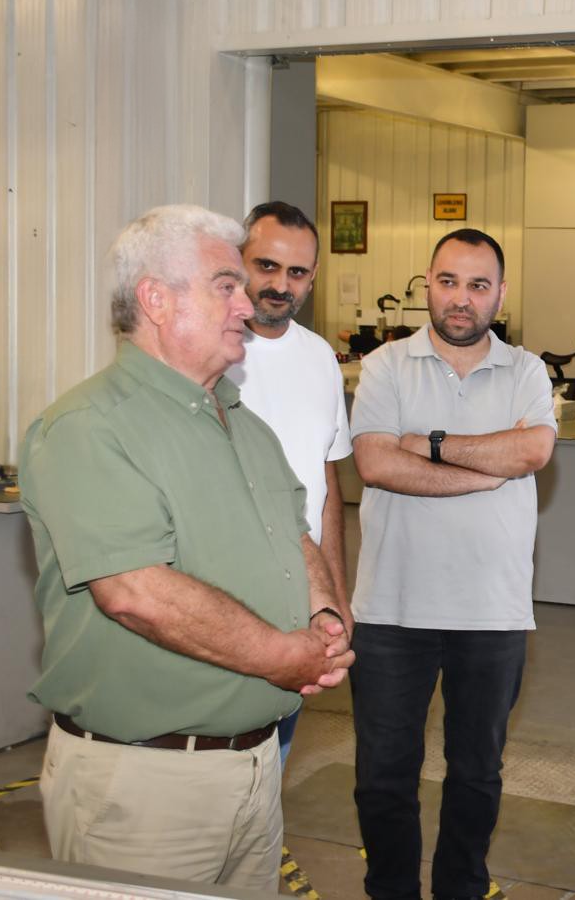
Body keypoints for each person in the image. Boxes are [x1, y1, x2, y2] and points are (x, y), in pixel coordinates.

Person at [19, 204, 353, 890]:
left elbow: (294, 534)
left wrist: (322, 615)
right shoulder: (88, 428)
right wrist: (281, 656)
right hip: (145, 788)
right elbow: (136, 593)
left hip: (256, 769)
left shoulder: (242, 424)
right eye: (226, 286)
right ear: (156, 300)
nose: (246, 305)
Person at [349, 227, 557, 900]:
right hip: (392, 609)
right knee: (383, 775)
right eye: (447, 282)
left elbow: (532, 453)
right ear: (428, 285)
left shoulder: (526, 370)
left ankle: (460, 889)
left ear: (500, 293)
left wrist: (428, 444)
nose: (460, 298)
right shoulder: (386, 365)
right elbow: (376, 463)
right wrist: (486, 469)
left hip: (492, 612)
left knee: (476, 775)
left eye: (477, 285)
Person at [227, 201, 353, 763]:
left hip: (300, 598)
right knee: (220, 760)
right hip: (229, 596)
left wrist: (336, 595)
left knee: (270, 764)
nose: (281, 285)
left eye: (297, 272)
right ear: (239, 260)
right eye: (266, 266)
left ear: (314, 276)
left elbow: (326, 481)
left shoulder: (320, 357)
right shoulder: (214, 351)